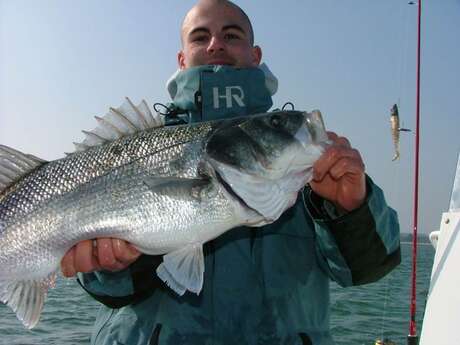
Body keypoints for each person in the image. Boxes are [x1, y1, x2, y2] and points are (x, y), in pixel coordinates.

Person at [61, 1, 401, 344]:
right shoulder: (140, 148)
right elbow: (110, 292)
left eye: (231, 34)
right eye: (200, 37)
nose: (215, 44)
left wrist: (351, 210)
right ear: (181, 59)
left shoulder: (302, 163)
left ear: (255, 55)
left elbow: (369, 268)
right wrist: (112, 266)